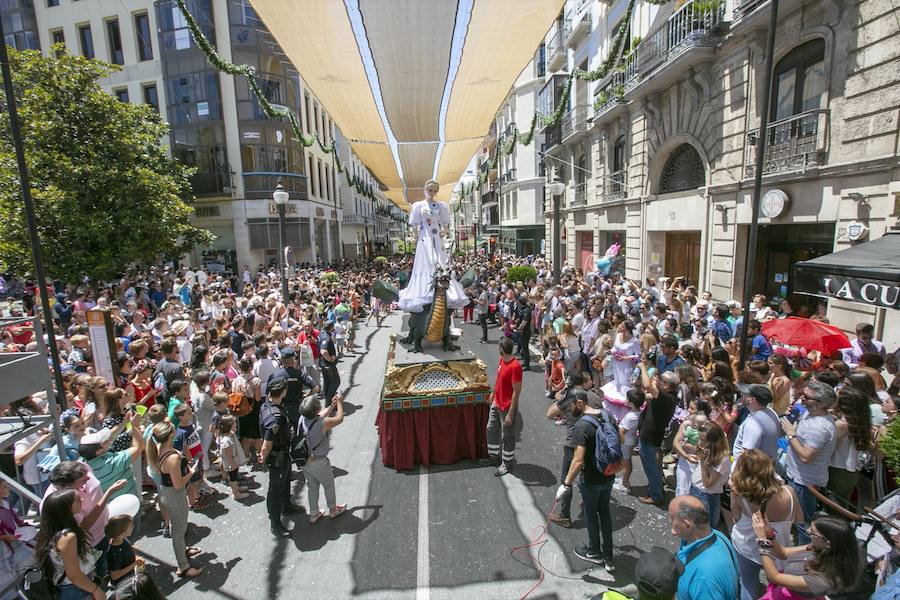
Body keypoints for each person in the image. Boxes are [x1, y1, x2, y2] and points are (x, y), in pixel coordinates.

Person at [728, 449, 803, 600]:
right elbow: (799, 519)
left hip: (747, 547)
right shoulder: (789, 493)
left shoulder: (741, 494)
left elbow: (735, 515)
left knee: (748, 584)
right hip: (779, 551)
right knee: (778, 588)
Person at [555, 391, 617, 572]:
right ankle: (609, 557)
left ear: (580, 402)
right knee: (604, 512)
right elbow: (619, 438)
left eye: (571, 406)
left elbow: (578, 460)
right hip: (608, 474)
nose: (568, 410)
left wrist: (566, 484)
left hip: (590, 478)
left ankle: (594, 550)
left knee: (591, 514)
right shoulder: (608, 416)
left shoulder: (582, 426)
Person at [397, 179, 468, 313]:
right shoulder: (418, 205)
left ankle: (443, 286)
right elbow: (414, 224)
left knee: (438, 259)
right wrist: (416, 236)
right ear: (425, 190)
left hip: (436, 236)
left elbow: (445, 222)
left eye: (435, 191)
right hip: (425, 236)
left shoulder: (440, 206)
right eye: (430, 190)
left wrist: (444, 231)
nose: (433, 193)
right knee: (427, 260)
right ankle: (424, 290)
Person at [780, 379, 837, 544]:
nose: (801, 398)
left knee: (802, 523)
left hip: (804, 482)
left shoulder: (818, 427)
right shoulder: (810, 413)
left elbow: (806, 456)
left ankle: (803, 557)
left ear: (820, 404)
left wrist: (791, 434)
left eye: (806, 397)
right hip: (795, 476)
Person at [752, 513, 860, 599]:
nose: (808, 531)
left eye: (813, 533)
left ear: (828, 543)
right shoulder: (819, 548)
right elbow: (783, 553)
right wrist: (769, 532)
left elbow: (774, 577)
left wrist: (762, 541)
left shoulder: (822, 581)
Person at [146, 421, 203, 578]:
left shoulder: (159, 449)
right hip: (174, 495)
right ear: (170, 435)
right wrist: (191, 472)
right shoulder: (172, 458)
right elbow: (178, 484)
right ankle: (183, 567)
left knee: (176, 527)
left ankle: (182, 551)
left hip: (167, 492)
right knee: (179, 531)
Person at [546, 380, 601, 528]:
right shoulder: (594, 397)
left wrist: (562, 397)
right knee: (588, 475)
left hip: (574, 444)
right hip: (593, 442)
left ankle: (565, 516)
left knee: (567, 479)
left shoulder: (569, 398)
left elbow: (549, 414)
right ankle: (590, 504)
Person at [34, 489, 105, 600]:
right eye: (77, 500)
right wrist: (96, 591)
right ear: (66, 508)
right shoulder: (68, 538)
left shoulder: (50, 532)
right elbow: (74, 575)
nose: (81, 500)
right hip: (76, 590)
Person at [667, 495, 739, 600]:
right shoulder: (717, 535)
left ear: (687, 525)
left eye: (672, 518)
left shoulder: (704, 578)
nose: (670, 521)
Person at [258, 379, 304, 537]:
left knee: (285, 482)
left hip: (283, 453)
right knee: (276, 490)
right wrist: (263, 455)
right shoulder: (275, 417)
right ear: (283, 392)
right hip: (277, 455)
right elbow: (267, 443)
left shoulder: (268, 404)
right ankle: (275, 523)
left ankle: (287, 505)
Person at [298, 393, 347, 523]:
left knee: (312, 486)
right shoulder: (322, 424)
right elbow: (339, 418)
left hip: (305, 461)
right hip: (319, 461)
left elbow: (319, 417)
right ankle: (333, 509)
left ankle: (314, 513)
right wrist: (340, 403)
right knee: (328, 485)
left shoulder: (302, 419)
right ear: (315, 410)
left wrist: (332, 405)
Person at [637, 364, 678, 505]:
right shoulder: (668, 396)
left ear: (666, 385)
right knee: (653, 465)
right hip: (651, 435)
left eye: (660, 380)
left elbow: (648, 387)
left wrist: (643, 367)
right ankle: (656, 488)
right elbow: (647, 393)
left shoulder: (666, 397)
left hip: (650, 437)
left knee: (651, 468)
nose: (658, 381)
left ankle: (656, 496)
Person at [486, 337, 522, 476]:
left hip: (506, 406)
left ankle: (507, 463)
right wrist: (493, 393)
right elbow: (499, 378)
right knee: (491, 428)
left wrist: (511, 413)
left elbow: (516, 391)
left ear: (502, 349)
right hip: (497, 402)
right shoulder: (503, 361)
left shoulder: (515, 367)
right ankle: (494, 456)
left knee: (507, 435)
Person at [731, 383, 781, 470]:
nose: (741, 394)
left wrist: (737, 476)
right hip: (765, 469)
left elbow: (748, 456)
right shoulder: (772, 412)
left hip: (750, 473)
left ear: (752, 400)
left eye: (744, 394)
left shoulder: (753, 424)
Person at [688, 423, 729, 529]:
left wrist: (702, 460)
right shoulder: (708, 450)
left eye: (703, 440)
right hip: (694, 490)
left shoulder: (722, 459)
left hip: (706, 497)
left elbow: (708, 483)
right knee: (691, 525)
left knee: (703, 529)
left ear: (714, 441)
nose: (699, 442)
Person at [267, 347, 318, 430]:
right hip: (297, 408)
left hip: (280, 409)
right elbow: (316, 388)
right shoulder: (300, 373)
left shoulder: (274, 376)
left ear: (281, 360)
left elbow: (268, 395)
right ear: (293, 359)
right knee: (299, 431)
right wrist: (307, 396)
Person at [104, 514, 141, 587]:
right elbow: (114, 576)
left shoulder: (121, 539)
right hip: (123, 583)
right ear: (122, 533)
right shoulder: (116, 553)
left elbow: (127, 549)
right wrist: (134, 564)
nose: (133, 527)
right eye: (131, 526)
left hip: (129, 576)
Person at [318, 321, 340, 405]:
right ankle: (329, 401)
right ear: (331, 327)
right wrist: (330, 359)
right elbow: (323, 351)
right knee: (335, 382)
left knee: (327, 382)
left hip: (323, 364)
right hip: (328, 365)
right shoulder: (326, 337)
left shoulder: (322, 334)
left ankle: (327, 401)